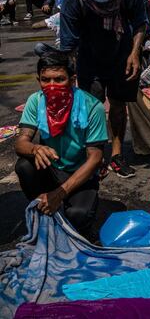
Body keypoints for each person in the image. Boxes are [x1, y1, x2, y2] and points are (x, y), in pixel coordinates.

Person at [59, 0, 146, 178]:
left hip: (122, 55)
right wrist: (71, 73)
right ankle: (95, 156)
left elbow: (140, 23)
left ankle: (117, 155)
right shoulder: (73, 0)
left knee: (118, 105)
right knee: (93, 108)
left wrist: (135, 53)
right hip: (89, 58)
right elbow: (68, 44)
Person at [14, 50, 107, 235]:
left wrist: (60, 193)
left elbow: (95, 159)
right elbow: (20, 143)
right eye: (45, 80)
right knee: (24, 165)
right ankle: (43, 207)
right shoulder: (35, 101)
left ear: (72, 80)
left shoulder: (92, 107)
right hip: (51, 168)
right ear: (38, 80)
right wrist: (35, 148)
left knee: (78, 216)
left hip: (80, 173)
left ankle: (58, 204)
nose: (51, 85)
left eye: (59, 79)